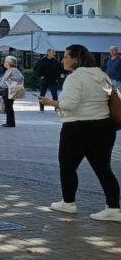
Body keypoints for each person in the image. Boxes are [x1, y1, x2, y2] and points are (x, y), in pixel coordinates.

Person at [40, 44, 121, 222]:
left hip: (77, 128)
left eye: (66, 57)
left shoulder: (74, 78)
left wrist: (50, 102)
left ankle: (68, 203)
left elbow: (69, 104)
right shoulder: (102, 75)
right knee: (104, 169)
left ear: (76, 59)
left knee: (68, 166)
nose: (63, 60)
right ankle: (113, 208)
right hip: (104, 127)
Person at [0, 56, 25, 127]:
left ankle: (11, 123)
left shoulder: (13, 70)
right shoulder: (8, 70)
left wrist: (11, 78)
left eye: (5, 62)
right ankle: (8, 122)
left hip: (9, 90)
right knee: (7, 107)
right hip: (5, 90)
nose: (4, 63)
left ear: (9, 63)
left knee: (9, 106)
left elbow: (21, 77)